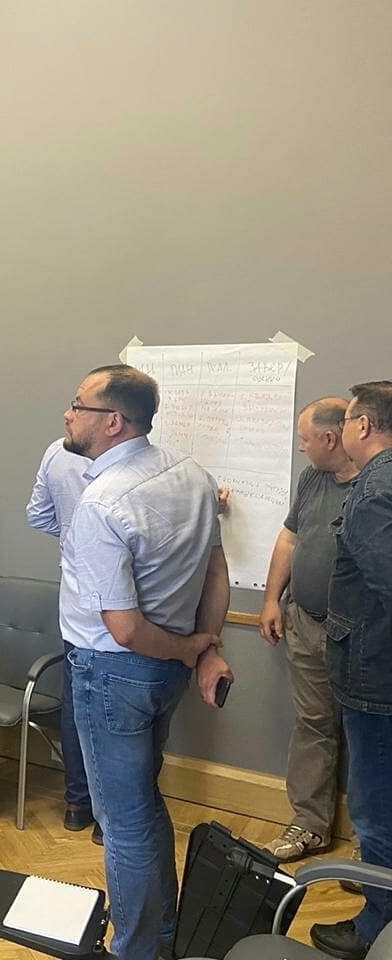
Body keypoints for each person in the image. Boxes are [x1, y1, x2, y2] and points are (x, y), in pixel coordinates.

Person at [61, 364, 233, 960]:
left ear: (113, 421)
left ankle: (131, 949)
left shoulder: (102, 502)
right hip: (164, 675)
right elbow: (216, 568)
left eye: (78, 405)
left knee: (124, 823)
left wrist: (191, 648)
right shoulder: (192, 474)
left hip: (113, 673)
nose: (67, 415)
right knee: (142, 803)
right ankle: (162, 934)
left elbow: (127, 628)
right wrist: (204, 645)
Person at [309, 381, 392, 960]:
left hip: (376, 676)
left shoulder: (375, 491)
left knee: (376, 808)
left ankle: (375, 931)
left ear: (362, 426)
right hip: (377, 669)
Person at [258, 398, 358, 862]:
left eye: (305, 439)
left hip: (360, 637)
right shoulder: (313, 478)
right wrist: (271, 599)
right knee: (314, 725)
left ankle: (373, 845)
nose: (301, 448)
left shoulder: (377, 484)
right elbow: (290, 537)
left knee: (371, 735)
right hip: (306, 623)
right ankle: (310, 826)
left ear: (329, 438)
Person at [26, 438, 99, 840]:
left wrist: (73, 534)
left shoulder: (56, 451)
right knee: (124, 711)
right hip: (131, 602)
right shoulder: (149, 457)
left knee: (77, 705)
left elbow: (38, 514)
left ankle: (77, 804)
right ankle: (110, 816)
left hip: (76, 599)